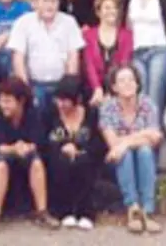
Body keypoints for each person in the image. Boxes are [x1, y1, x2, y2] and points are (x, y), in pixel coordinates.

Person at [0, 77, 60, 233]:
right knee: (0, 166)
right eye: (1, 101)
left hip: (28, 152)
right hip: (6, 154)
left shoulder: (33, 113)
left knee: (37, 164)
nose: (3, 105)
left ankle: (42, 211)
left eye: (8, 101)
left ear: (21, 101)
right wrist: (15, 148)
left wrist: (26, 147)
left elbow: (39, 141)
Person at [99, 65, 163, 234]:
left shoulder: (147, 103)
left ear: (137, 84)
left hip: (144, 158)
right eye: (122, 80)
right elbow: (113, 144)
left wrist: (125, 142)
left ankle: (147, 210)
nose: (127, 84)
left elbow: (156, 137)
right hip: (118, 163)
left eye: (131, 80)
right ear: (114, 87)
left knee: (145, 150)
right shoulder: (108, 108)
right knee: (126, 154)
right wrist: (143, 135)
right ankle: (132, 208)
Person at [43, 75, 105, 230]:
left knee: (84, 162)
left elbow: (98, 143)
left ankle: (86, 212)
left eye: (65, 100)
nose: (61, 104)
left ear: (77, 99)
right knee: (61, 162)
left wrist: (80, 149)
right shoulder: (49, 114)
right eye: (58, 99)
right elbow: (42, 140)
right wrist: (62, 146)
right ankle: (64, 211)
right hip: (57, 158)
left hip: (86, 157)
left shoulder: (91, 114)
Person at [8, 0, 85, 110]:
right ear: (36, 2)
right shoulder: (23, 23)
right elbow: (18, 58)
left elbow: (73, 56)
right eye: (45, 1)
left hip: (61, 85)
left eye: (53, 1)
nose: (49, 5)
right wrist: (26, 89)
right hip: (34, 85)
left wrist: (69, 89)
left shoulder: (69, 22)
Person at [120, 0, 166, 117]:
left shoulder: (163, 0)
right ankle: (143, 135)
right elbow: (126, 27)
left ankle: (154, 135)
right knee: (140, 95)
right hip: (136, 52)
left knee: (155, 95)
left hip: (159, 51)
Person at [82, 0, 133, 106]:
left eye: (114, 8)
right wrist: (97, 88)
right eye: (107, 8)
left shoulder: (127, 35)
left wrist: (112, 91)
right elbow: (89, 65)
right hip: (93, 86)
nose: (111, 11)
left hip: (117, 86)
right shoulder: (88, 35)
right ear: (98, 12)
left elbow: (123, 63)